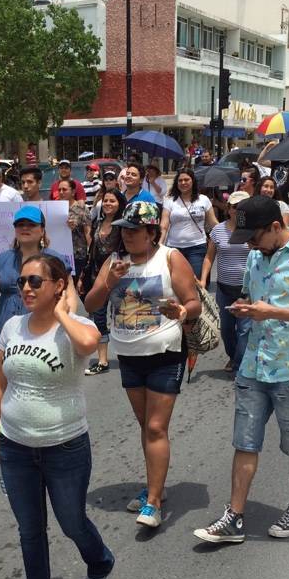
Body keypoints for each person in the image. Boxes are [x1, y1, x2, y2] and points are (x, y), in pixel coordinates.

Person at [193, 196, 289, 544]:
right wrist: (243, 307)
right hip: (254, 364)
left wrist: (272, 312)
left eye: (254, 238)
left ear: (275, 227)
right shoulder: (256, 256)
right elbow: (249, 295)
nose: (251, 246)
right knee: (245, 441)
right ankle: (235, 516)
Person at [0, 253, 115, 579]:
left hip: (64, 447)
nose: (25, 288)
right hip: (15, 446)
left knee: (71, 520)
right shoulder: (11, 326)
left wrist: (62, 314)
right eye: (22, 282)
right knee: (30, 529)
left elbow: (91, 344)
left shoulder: (76, 326)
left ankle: (100, 563)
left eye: (35, 282)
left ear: (58, 285)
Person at [83, 201, 201, 528]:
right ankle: (156, 488)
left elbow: (193, 303)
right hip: (129, 357)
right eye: (124, 229)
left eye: (134, 230)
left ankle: (152, 503)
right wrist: (109, 283)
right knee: (144, 425)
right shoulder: (114, 261)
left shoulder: (170, 258)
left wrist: (181, 311)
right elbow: (91, 303)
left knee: (154, 427)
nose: (128, 235)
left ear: (152, 232)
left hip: (165, 353)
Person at [0, 205, 78, 386]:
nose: (25, 228)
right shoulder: (2, 259)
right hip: (6, 330)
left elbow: (69, 294)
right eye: (20, 224)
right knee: (1, 385)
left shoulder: (55, 261)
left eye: (31, 224)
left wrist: (68, 323)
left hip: (45, 330)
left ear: (42, 230)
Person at [200, 191, 252, 372]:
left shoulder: (253, 230)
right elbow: (209, 257)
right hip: (224, 289)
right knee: (227, 330)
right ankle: (234, 357)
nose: (238, 211)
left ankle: (240, 366)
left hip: (247, 290)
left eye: (243, 207)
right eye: (235, 207)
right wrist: (203, 279)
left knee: (244, 330)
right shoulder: (217, 231)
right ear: (228, 209)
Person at [81, 189, 126, 375]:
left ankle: (128, 355)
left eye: (112, 201)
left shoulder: (124, 225)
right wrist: (84, 276)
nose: (108, 204)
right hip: (97, 277)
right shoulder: (97, 222)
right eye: (106, 200)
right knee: (98, 317)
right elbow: (91, 250)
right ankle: (102, 360)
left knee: (123, 318)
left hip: (120, 278)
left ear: (119, 204)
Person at [160, 167, 218, 279]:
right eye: (180, 180)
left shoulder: (203, 199)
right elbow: (164, 225)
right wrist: (159, 245)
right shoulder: (169, 200)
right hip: (174, 248)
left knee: (197, 283)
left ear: (193, 181)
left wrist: (227, 233)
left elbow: (213, 223)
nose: (183, 183)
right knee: (175, 282)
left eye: (186, 180)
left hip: (197, 248)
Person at [55, 178, 91, 278]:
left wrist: (91, 255)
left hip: (77, 256)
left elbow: (88, 232)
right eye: (59, 190)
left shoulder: (82, 209)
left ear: (73, 192)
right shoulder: (55, 209)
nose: (61, 192)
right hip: (59, 255)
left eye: (64, 189)